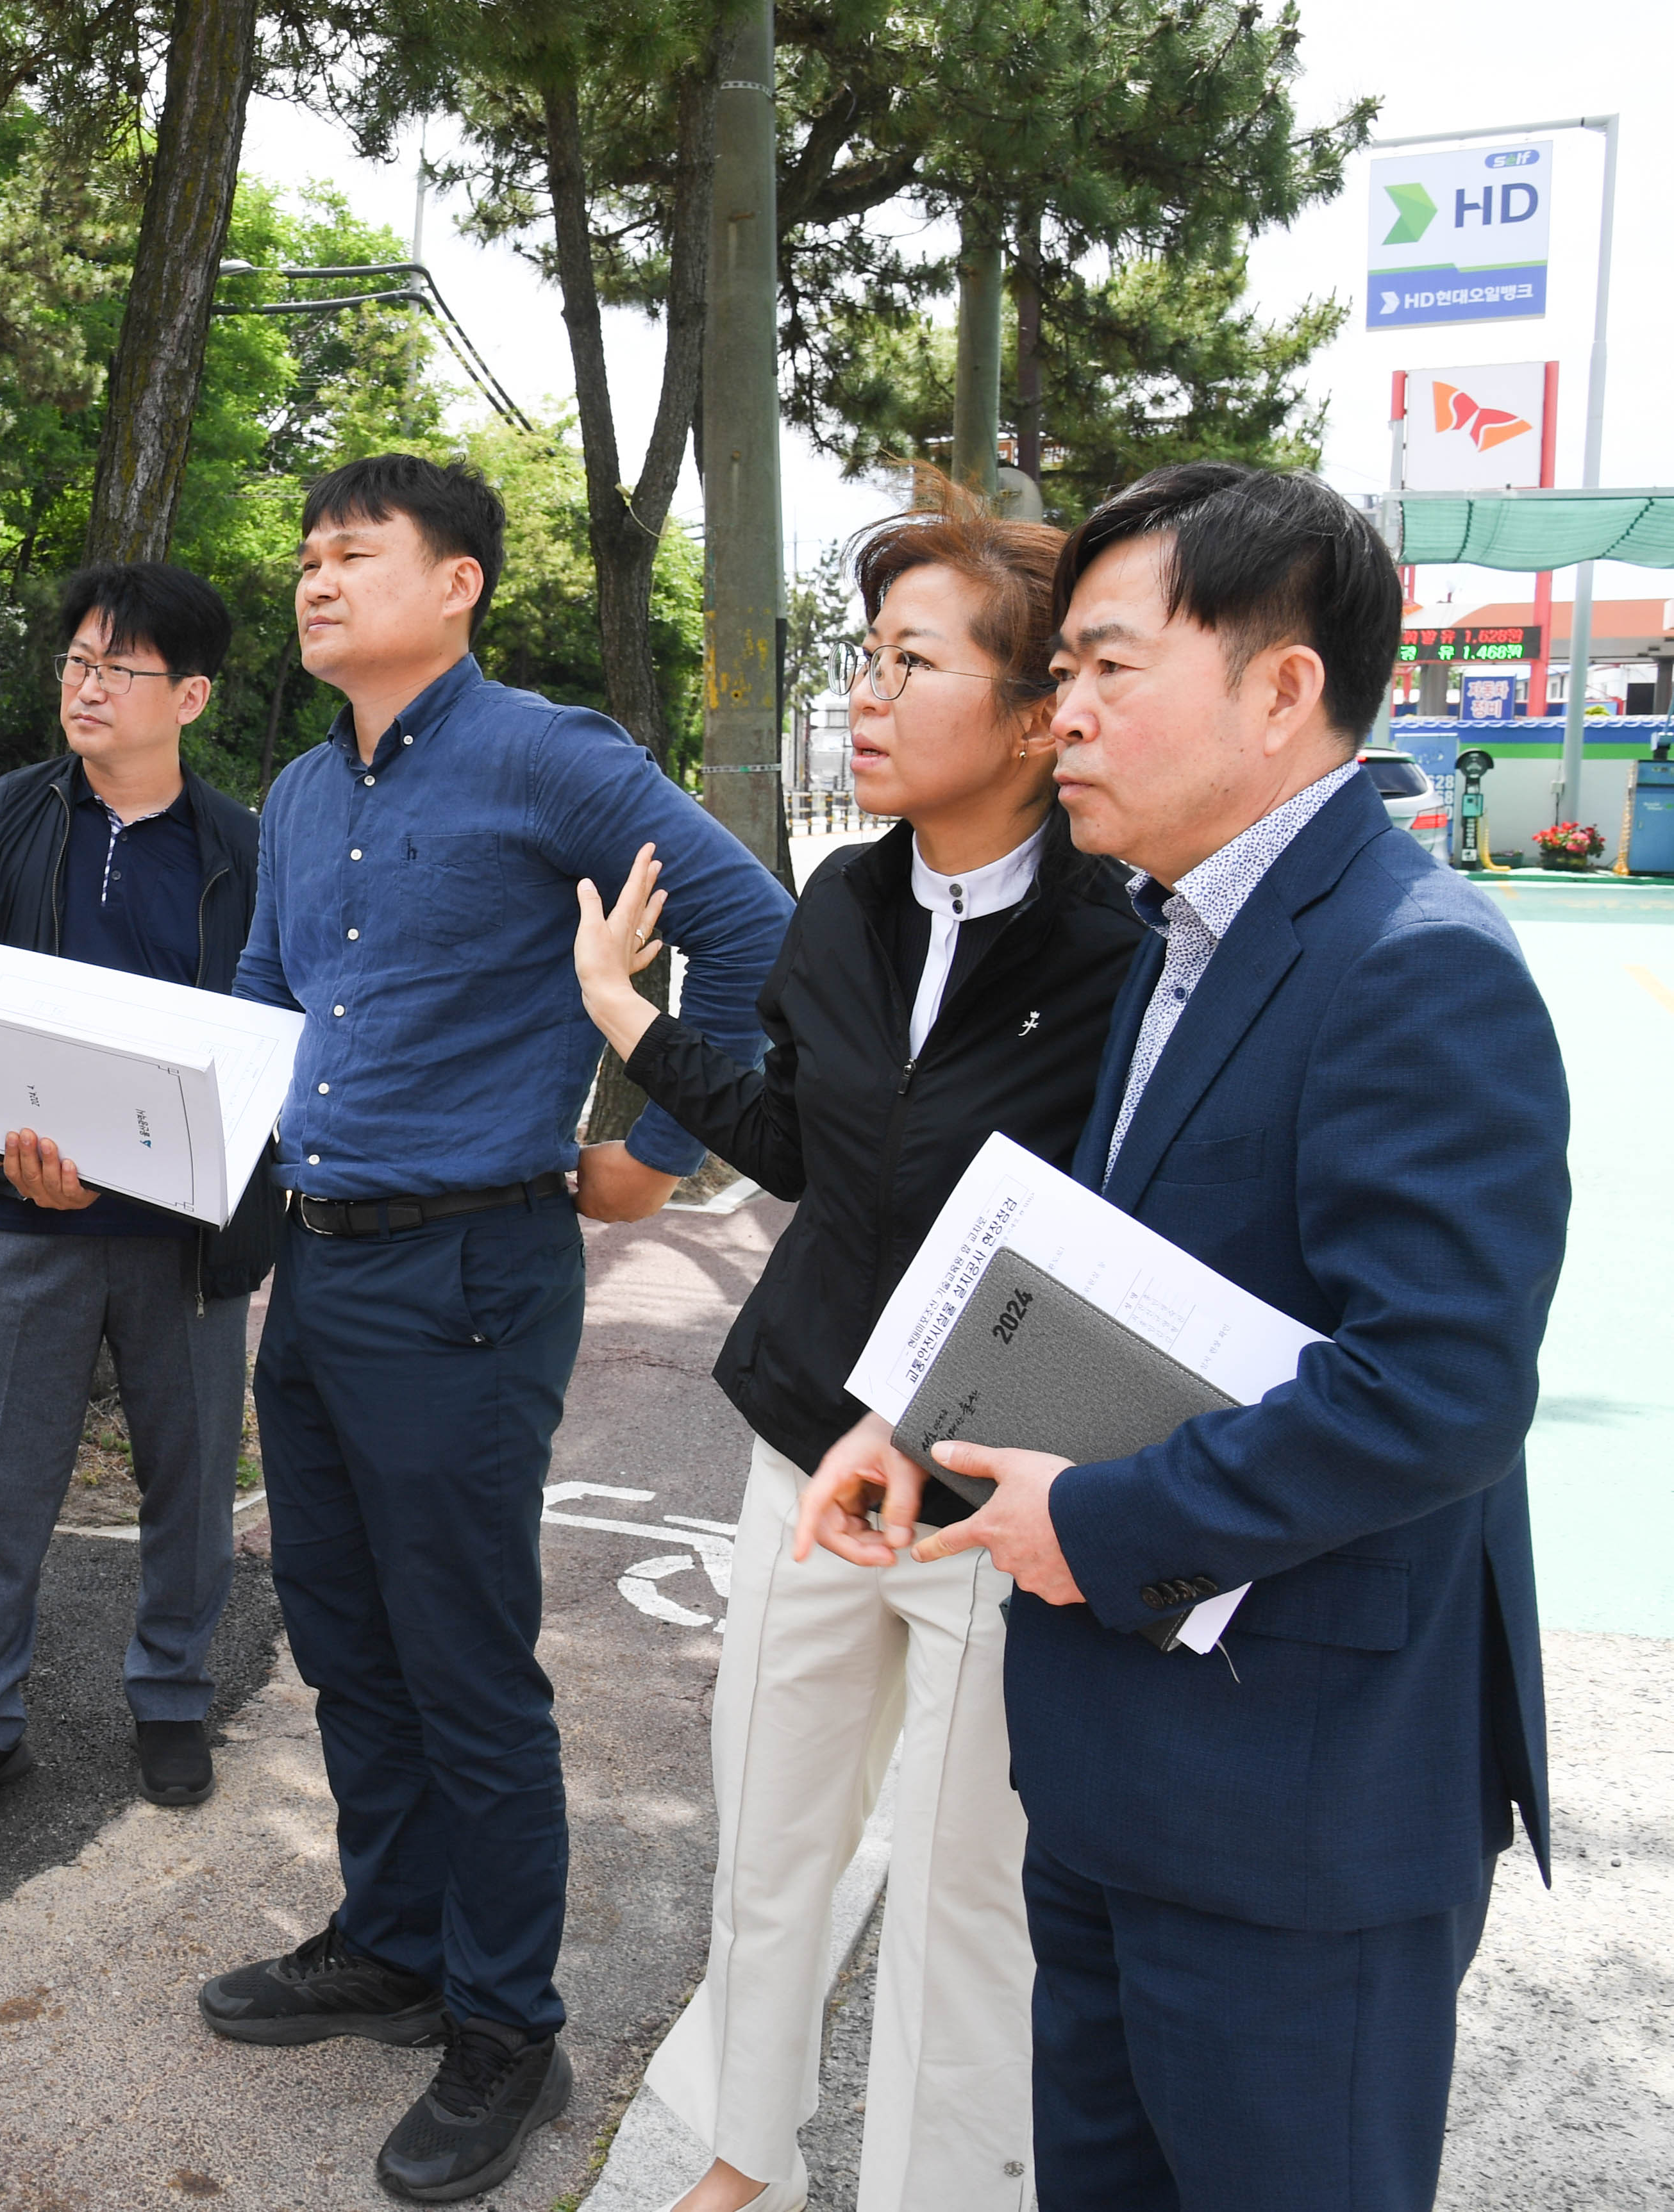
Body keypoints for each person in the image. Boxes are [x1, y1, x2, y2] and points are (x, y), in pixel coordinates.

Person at [798, 463, 1566, 2212]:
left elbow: (1433, 1382)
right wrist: (915, 1420)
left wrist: (1097, 1525)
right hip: (1120, 1771)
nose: (1058, 711)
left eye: (1107, 668)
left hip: (1293, 1800)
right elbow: (1109, 1276)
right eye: (1056, 671)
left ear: (1282, 687)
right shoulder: (1174, 933)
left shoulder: (1408, 958)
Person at [197, 454, 796, 2205]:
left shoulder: (545, 754)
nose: (314, 579)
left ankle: (503, 2027)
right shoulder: (303, 788)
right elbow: (261, 1000)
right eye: (302, 555)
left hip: (468, 1272)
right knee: (343, 1634)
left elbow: (752, 928)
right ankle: (389, 1943)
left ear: (455, 583)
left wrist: (660, 1149)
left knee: (459, 1659)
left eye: (353, 553)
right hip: (315, 1268)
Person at [569, 494, 1144, 2212]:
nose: (864, 699)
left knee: (970, 1891)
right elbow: (808, 1146)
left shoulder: (1122, 946)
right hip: (799, 1433)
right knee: (770, 1835)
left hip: (994, 1478)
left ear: (1039, 710)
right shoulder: (840, 900)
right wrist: (621, 1015)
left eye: (911, 662)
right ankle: (746, 2150)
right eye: (861, 660)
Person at [0, 561, 275, 1834]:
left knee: (191, 1480)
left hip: (184, 1239)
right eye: (76, 662)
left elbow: (276, 1039)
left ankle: (170, 1696)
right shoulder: (3, 822)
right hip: (30, 1220)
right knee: (2, 1486)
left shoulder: (244, 853)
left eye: (120, 667)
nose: (88, 685)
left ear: (194, 697)